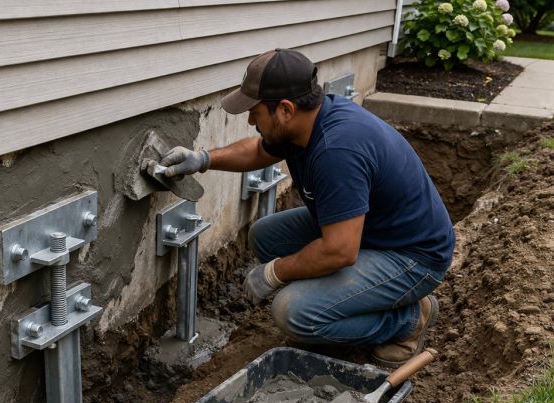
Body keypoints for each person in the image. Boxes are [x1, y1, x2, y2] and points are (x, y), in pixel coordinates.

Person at [146, 48, 455, 367]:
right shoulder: (308, 121)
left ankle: (408, 319)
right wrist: (202, 160)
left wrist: (275, 273)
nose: (251, 120)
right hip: (373, 233)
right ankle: (340, 301)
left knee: (291, 312)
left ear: (284, 109)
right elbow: (258, 151)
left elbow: (340, 252)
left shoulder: (337, 152)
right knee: (267, 237)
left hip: (412, 257)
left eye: (255, 111)